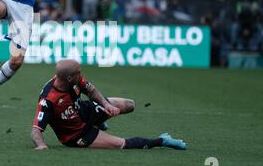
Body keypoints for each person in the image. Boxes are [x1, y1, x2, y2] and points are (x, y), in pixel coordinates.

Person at [31, 59, 187, 150]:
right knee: (122, 144)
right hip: (78, 135)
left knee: (129, 105)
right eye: (79, 72)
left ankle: (99, 121)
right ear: (70, 78)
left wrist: (106, 104)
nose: (81, 74)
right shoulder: (48, 100)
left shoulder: (73, 79)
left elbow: (91, 91)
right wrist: (41, 145)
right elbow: (36, 131)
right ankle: (162, 140)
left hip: (85, 110)